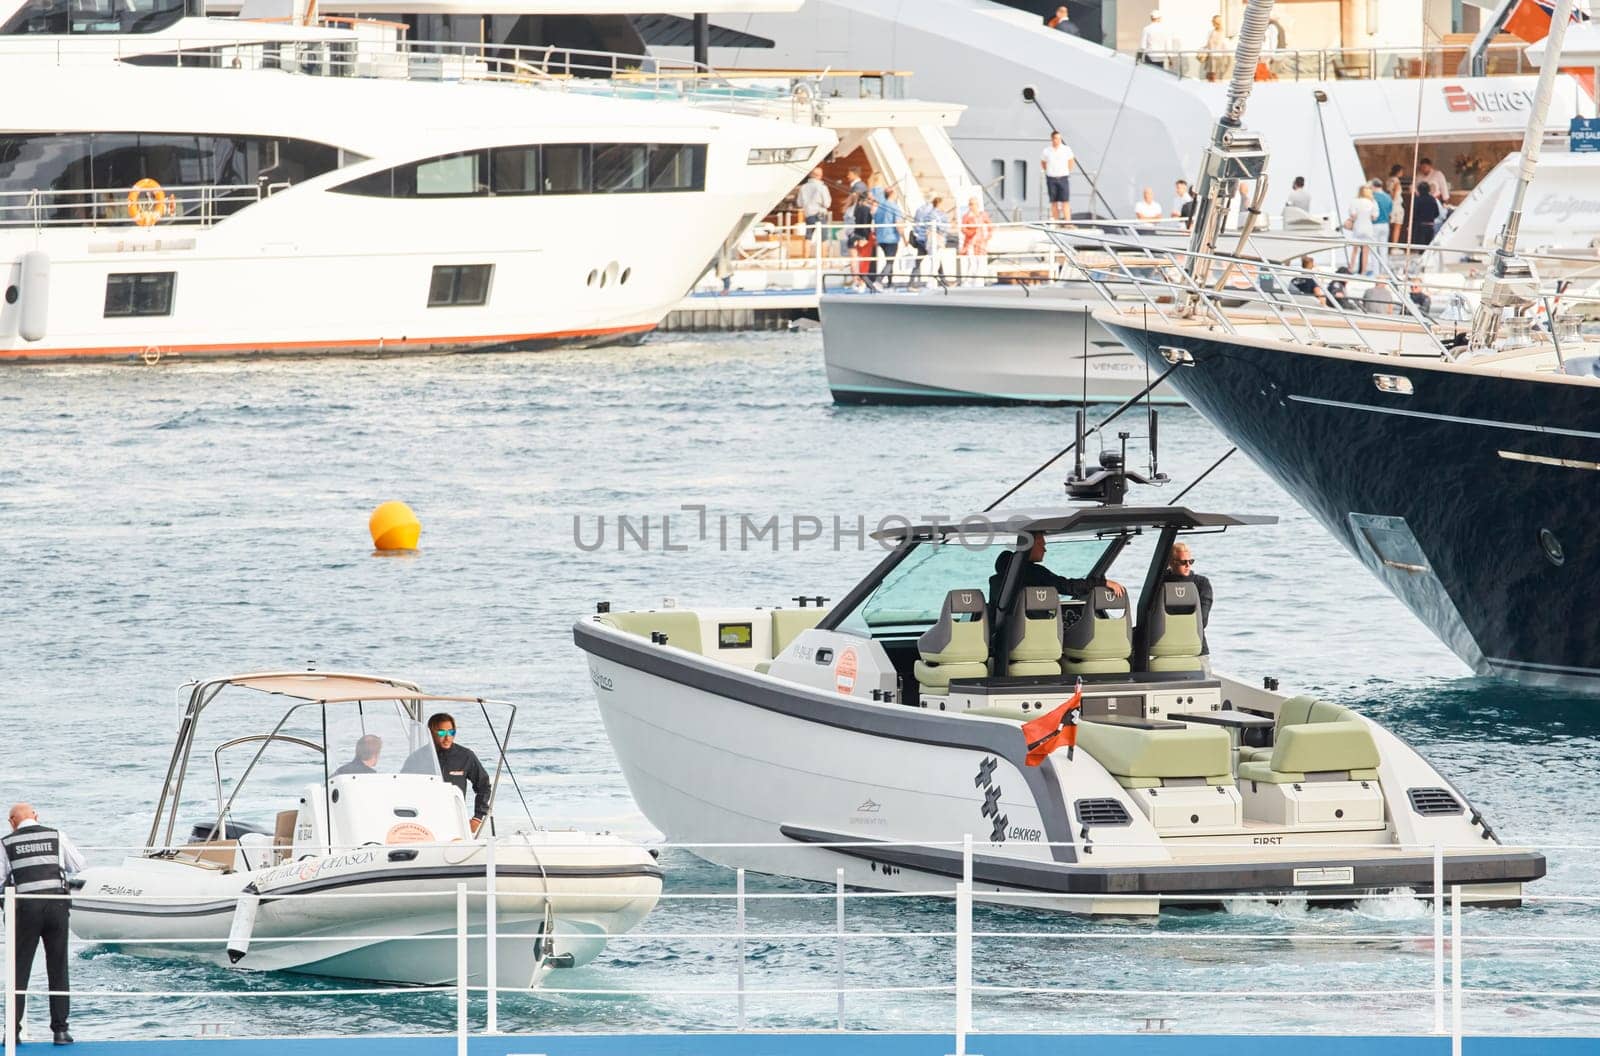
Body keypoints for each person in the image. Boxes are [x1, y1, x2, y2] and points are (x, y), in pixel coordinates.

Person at [5, 803, 86, 1046]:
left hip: (25, 909)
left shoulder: (6, 843)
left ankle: (12, 1031)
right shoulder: (56, 835)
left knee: (18, 970)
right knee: (58, 967)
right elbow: (79, 865)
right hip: (56, 907)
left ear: (12, 822)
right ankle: (60, 1031)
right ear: (36, 817)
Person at [989, 534, 1125, 617]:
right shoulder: (1035, 573)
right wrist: (1102, 583)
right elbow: (1067, 586)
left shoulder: (998, 581)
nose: (1045, 549)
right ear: (1030, 546)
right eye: (1041, 544)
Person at [407, 714, 492, 835]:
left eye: (451, 732)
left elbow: (484, 786)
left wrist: (477, 818)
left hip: (455, 820)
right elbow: (404, 789)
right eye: (441, 733)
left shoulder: (466, 756)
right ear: (430, 733)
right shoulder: (417, 758)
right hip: (423, 821)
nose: (447, 737)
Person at [1160, 543, 1212, 653]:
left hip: (1196, 645)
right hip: (1166, 644)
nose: (1188, 565)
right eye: (1183, 562)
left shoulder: (1201, 583)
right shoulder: (1160, 581)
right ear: (1171, 563)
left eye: (1191, 561)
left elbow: (1202, 620)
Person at [909, 195, 948, 285]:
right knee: (935, 261)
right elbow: (941, 228)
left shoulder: (920, 209)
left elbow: (917, 225)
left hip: (922, 239)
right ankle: (934, 282)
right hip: (931, 241)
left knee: (921, 261)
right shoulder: (935, 213)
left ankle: (911, 282)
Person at [1040, 130, 1075, 223]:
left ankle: (1068, 222)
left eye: (1059, 138)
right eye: (1056, 138)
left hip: (1063, 177)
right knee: (1054, 201)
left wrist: (1067, 171)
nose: (1058, 140)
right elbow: (1043, 163)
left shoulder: (1066, 149)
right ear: (1052, 139)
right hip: (1051, 178)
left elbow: (1071, 161)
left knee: (1065, 201)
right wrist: (1048, 171)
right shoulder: (1047, 151)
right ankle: (1056, 222)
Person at [872, 187, 904, 288]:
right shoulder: (894, 207)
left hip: (881, 238)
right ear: (892, 194)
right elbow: (898, 224)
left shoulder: (880, 207)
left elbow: (875, 222)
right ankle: (878, 281)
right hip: (891, 238)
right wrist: (905, 238)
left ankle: (890, 283)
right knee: (890, 262)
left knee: (889, 261)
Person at [1344, 184, 1379, 276]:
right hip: (1368, 227)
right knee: (1365, 251)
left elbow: (1353, 215)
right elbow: (1374, 217)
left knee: (1355, 250)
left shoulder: (1355, 201)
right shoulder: (1372, 202)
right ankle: (1363, 271)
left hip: (1358, 226)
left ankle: (1350, 268)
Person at [959, 196, 992, 286]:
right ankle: (968, 281)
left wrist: (987, 238)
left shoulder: (983, 215)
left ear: (977, 205)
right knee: (971, 262)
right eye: (970, 204)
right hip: (970, 243)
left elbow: (990, 226)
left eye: (973, 204)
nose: (971, 206)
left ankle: (979, 281)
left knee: (980, 261)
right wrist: (971, 232)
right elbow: (963, 229)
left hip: (981, 243)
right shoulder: (966, 216)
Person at [796, 167, 831, 244]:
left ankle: (806, 256)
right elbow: (827, 204)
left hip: (809, 214)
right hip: (821, 214)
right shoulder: (822, 187)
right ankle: (823, 256)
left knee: (808, 237)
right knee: (824, 238)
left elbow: (799, 203)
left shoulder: (803, 187)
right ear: (820, 175)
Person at [1203, 14, 1230, 81]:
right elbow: (1208, 44)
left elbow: (1225, 46)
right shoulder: (1211, 32)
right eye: (1213, 21)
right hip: (1211, 56)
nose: (1213, 23)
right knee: (1209, 76)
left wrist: (1226, 58)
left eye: (1214, 21)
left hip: (1219, 57)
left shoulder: (1224, 33)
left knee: (1216, 76)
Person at [1386, 165, 1407, 246]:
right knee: (1397, 225)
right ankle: (1394, 245)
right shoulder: (1396, 181)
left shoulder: (1389, 180)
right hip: (1396, 204)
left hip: (1390, 203)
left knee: (1390, 225)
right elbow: (1394, 194)